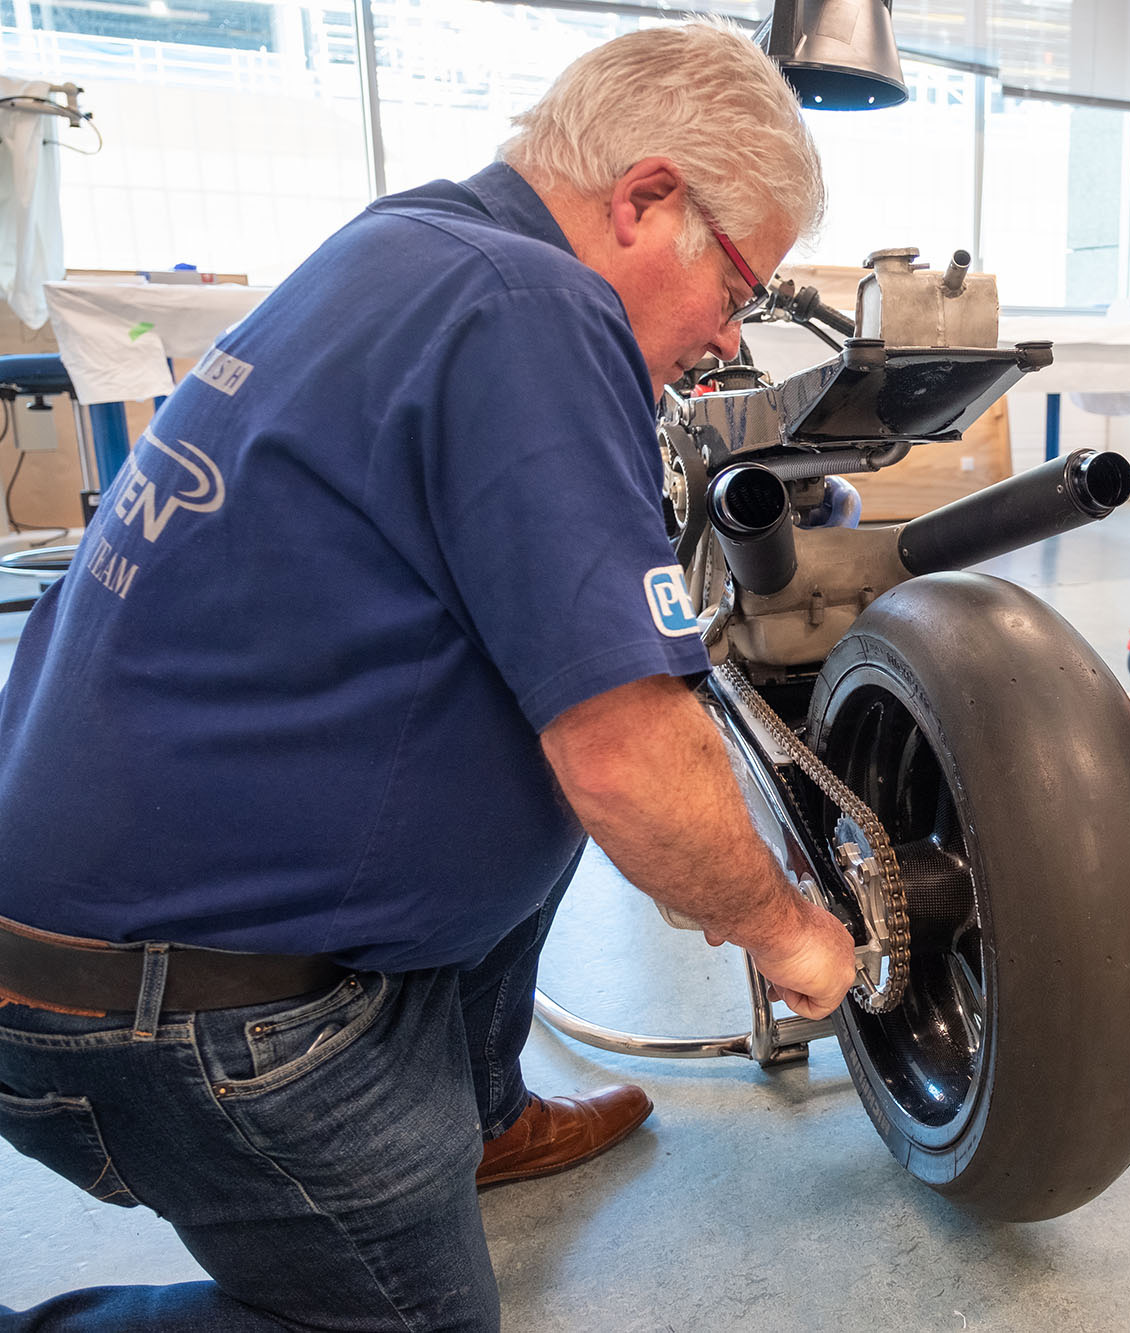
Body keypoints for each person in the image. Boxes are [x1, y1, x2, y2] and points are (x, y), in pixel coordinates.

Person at [0, 23, 857, 1329]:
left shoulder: (407, 246)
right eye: (739, 289)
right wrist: (794, 928)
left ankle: (482, 1116)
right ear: (646, 201)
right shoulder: (533, 307)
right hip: (167, 1023)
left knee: (542, 715)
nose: (723, 338)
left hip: (83, 923)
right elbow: (629, 756)